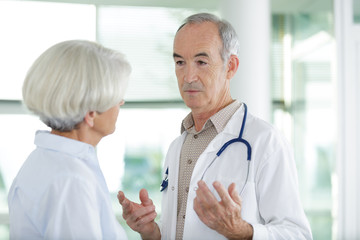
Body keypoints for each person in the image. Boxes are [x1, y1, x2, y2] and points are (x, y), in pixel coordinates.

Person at [118, 13, 312, 240]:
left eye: (201, 62)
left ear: (230, 66)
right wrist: (152, 231)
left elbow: (297, 234)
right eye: (180, 62)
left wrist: (240, 231)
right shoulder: (177, 146)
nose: (188, 76)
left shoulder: (265, 141)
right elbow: (180, 228)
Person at [8, 40, 131, 239]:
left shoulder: (45, 160)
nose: (121, 103)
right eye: (117, 98)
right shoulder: (71, 180)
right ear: (91, 114)